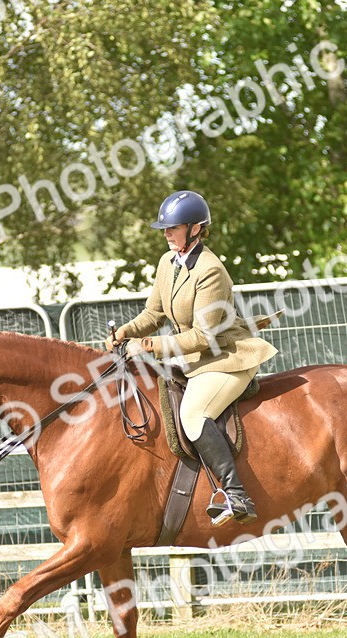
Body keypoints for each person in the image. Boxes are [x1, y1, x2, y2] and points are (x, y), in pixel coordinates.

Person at [106, 190, 277, 525]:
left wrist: (151, 346)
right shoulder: (168, 263)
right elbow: (152, 313)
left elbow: (204, 337)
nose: (167, 233)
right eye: (165, 228)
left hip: (225, 358)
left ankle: (237, 495)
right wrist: (126, 331)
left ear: (196, 228)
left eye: (174, 227)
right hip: (193, 358)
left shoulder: (211, 271)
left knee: (193, 413)